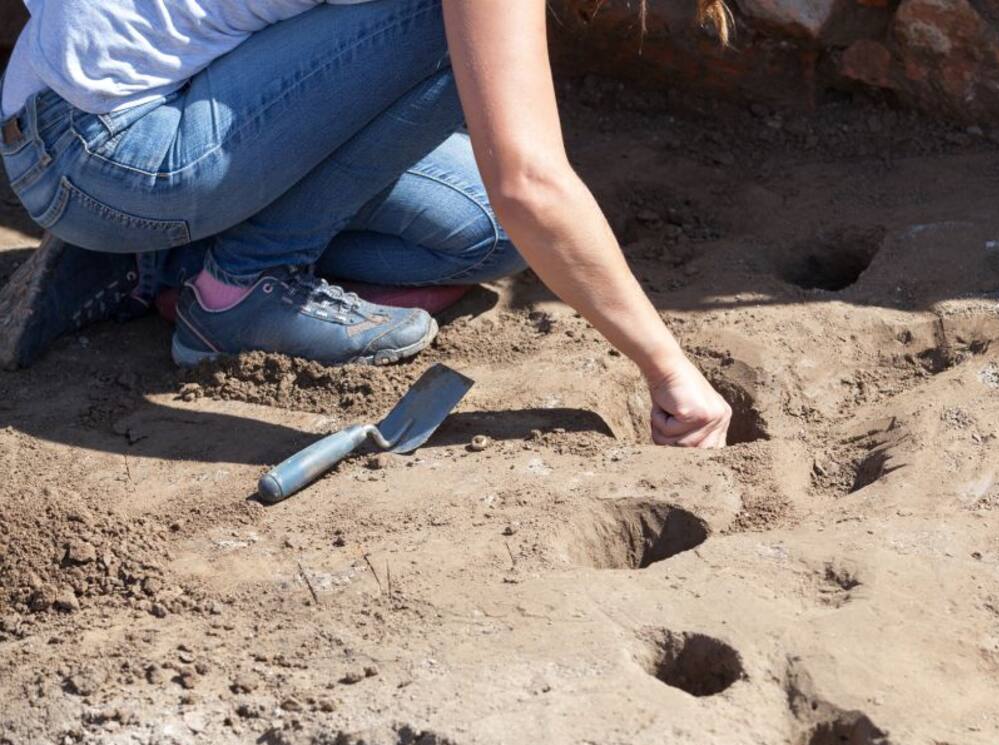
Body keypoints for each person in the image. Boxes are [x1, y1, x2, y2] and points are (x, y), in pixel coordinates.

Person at [0, 0, 733, 448]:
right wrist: (670, 372)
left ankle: (163, 258)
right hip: (99, 149)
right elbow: (530, 181)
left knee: (492, 233)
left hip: (163, 101)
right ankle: (240, 283)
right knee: (451, 30)